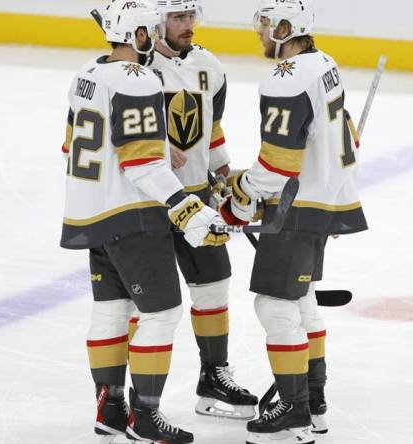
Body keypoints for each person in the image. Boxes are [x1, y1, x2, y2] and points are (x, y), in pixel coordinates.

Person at [59, 1, 229, 442]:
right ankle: (146, 417)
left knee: (111, 310)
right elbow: (141, 166)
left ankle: (110, 409)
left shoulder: (87, 73)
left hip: (89, 211)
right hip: (131, 215)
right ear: (137, 34)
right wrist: (186, 206)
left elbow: (70, 147)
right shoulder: (137, 80)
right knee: (162, 311)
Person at [219, 0, 369, 442]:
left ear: (285, 29)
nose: (260, 33)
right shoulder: (325, 64)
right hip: (325, 198)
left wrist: (241, 191)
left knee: (273, 304)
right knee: (301, 299)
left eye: (266, 25)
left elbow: (280, 165)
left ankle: (294, 412)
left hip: (297, 205)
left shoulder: (286, 77)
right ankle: (314, 401)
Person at [138, 0, 259, 420]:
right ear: (155, 23)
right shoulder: (134, 70)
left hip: (197, 198)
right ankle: (130, 398)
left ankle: (213, 378)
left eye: (191, 16)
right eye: (178, 17)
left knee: (214, 285)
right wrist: (155, 144)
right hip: (148, 202)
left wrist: (225, 173)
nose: (188, 25)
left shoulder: (210, 66)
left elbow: (212, 125)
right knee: (146, 305)